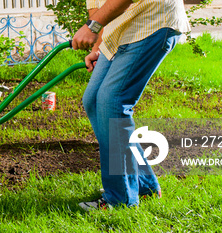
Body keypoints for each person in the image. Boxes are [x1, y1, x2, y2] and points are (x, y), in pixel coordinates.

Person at [71, 0, 190, 211]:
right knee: (94, 101)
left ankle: (121, 199)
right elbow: (97, 5)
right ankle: (144, 185)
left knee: (112, 103)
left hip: (152, 21)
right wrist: (98, 47)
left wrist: (92, 26)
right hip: (121, 31)